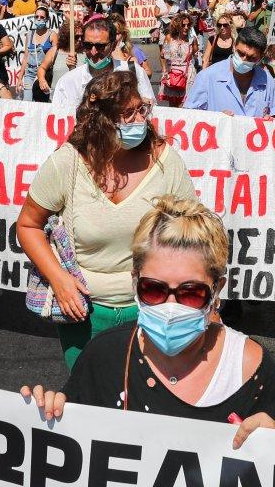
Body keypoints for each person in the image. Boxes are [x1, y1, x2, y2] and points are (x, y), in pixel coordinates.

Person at [20, 195, 275, 446]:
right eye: (154, 289)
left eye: (190, 293)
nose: (171, 305)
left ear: (216, 290)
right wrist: (45, 416)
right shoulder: (105, 356)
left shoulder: (252, 371)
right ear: (135, 282)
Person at [17, 71, 196, 368]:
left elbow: (193, 232)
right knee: (89, 400)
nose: (140, 120)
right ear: (101, 120)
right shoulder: (68, 162)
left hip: (153, 310)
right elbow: (27, 225)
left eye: (142, 109)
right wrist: (60, 280)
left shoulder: (166, 161)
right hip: (83, 312)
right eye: (127, 113)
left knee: (144, 400)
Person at [51, 18, 154, 111]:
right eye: (88, 45)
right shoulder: (68, 82)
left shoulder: (133, 72)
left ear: (113, 45)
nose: (93, 52)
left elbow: (151, 111)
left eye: (100, 46)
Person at [185, 27, 275, 118]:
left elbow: (272, 117)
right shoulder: (206, 77)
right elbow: (189, 117)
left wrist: (269, 120)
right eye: (240, 53)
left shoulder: (267, 81)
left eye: (251, 58)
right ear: (234, 47)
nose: (243, 60)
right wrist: (215, 118)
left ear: (260, 58)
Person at [158, 14, 195, 108]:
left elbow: (195, 53)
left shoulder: (191, 39)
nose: (186, 28)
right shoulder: (169, 38)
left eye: (188, 25)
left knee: (184, 105)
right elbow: (163, 56)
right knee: (172, 104)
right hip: (172, 73)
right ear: (177, 26)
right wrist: (164, 70)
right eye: (183, 25)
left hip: (187, 74)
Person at [19, 7, 55, 101]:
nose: (39, 19)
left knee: (41, 102)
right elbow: (26, 57)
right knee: (27, 101)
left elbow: (55, 56)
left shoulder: (52, 35)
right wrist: (19, 78)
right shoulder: (30, 34)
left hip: (44, 74)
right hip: (30, 74)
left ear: (47, 19)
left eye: (42, 17)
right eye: (36, 16)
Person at [36, 22, 78, 101]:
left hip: (78, 101)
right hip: (56, 100)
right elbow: (42, 68)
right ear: (67, 37)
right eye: (76, 37)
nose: (80, 39)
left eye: (82, 36)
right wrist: (42, 80)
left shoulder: (87, 53)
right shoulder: (55, 51)